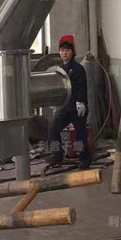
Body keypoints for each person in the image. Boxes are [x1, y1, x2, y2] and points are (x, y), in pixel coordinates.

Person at [47, 35, 91, 169]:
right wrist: (57, 105)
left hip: (77, 108)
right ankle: (57, 156)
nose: (64, 53)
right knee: (53, 129)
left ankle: (85, 159)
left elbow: (82, 86)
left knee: (80, 134)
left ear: (72, 52)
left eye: (67, 50)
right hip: (65, 107)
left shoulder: (78, 68)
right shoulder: (60, 70)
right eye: (62, 51)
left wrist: (81, 102)